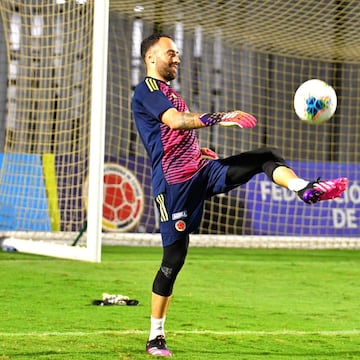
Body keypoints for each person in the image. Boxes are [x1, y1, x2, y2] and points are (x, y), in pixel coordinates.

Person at [131, 33, 348, 357]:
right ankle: (155, 337)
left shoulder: (169, 92)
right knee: (173, 260)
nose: (177, 58)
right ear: (151, 58)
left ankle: (302, 187)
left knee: (264, 155)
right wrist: (222, 116)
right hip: (175, 186)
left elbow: (173, 135)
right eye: (170, 52)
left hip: (202, 171)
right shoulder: (146, 90)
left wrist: (196, 150)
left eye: (177, 53)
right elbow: (175, 123)